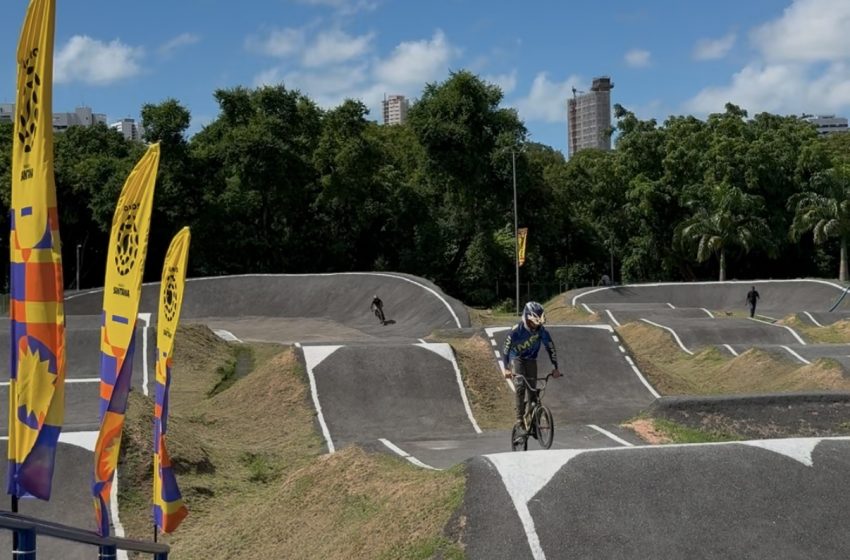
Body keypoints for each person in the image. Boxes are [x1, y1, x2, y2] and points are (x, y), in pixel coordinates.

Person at [502, 301, 561, 438]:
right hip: (517, 358)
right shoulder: (516, 331)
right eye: (533, 323)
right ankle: (519, 422)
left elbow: (550, 348)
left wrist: (555, 368)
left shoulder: (542, 332)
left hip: (531, 360)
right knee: (520, 387)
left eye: (538, 324)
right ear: (526, 318)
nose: (535, 326)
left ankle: (534, 422)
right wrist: (506, 368)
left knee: (533, 391)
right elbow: (506, 349)